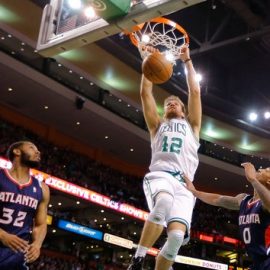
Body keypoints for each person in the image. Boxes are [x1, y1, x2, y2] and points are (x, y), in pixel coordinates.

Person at [128, 44, 202, 270]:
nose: (171, 103)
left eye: (176, 103)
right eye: (167, 103)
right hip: (161, 175)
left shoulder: (193, 127)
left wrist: (187, 61)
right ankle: (138, 259)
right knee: (163, 204)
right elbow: (145, 93)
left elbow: (195, 92)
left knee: (177, 239)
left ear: (183, 110)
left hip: (185, 186)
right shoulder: (157, 126)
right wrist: (148, 63)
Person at [184, 162, 270, 270]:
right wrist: (195, 192)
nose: (261, 169)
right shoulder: (244, 200)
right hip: (258, 263)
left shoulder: (265, 203)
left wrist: (253, 180)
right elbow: (217, 199)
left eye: (266, 170)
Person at [0, 141, 50, 270]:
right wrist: (2, 235)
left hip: (15, 257)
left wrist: (37, 245)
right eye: (32, 148)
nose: (38, 152)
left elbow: (40, 224)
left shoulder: (42, 188)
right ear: (17, 151)